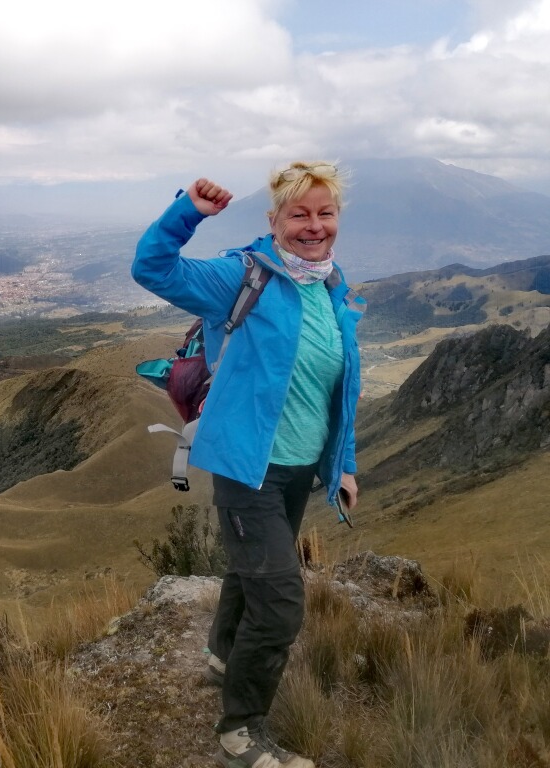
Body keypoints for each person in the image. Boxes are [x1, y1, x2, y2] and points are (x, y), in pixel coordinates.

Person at [131, 161, 365, 768]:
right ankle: (241, 730)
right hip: (246, 469)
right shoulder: (245, 276)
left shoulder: (331, 285)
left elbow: (337, 388)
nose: (314, 226)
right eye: (299, 213)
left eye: (325, 213)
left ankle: (220, 653)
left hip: (295, 469)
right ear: (275, 220)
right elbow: (152, 268)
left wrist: (343, 465)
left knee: (253, 571)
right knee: (281, 600)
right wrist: (189, 212)